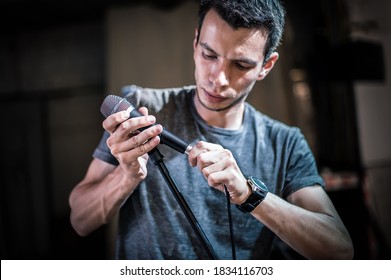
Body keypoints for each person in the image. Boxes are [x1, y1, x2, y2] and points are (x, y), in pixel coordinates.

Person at [69, 0, 354, 260]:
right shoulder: (141, 109)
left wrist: (248, 194)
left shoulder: (285, 144)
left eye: (241, 64)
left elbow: (339, 251)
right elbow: (80, 221)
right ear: (195, 43)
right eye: (209, 54)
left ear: (266, 66)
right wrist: (126, 177)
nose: (217, 79)